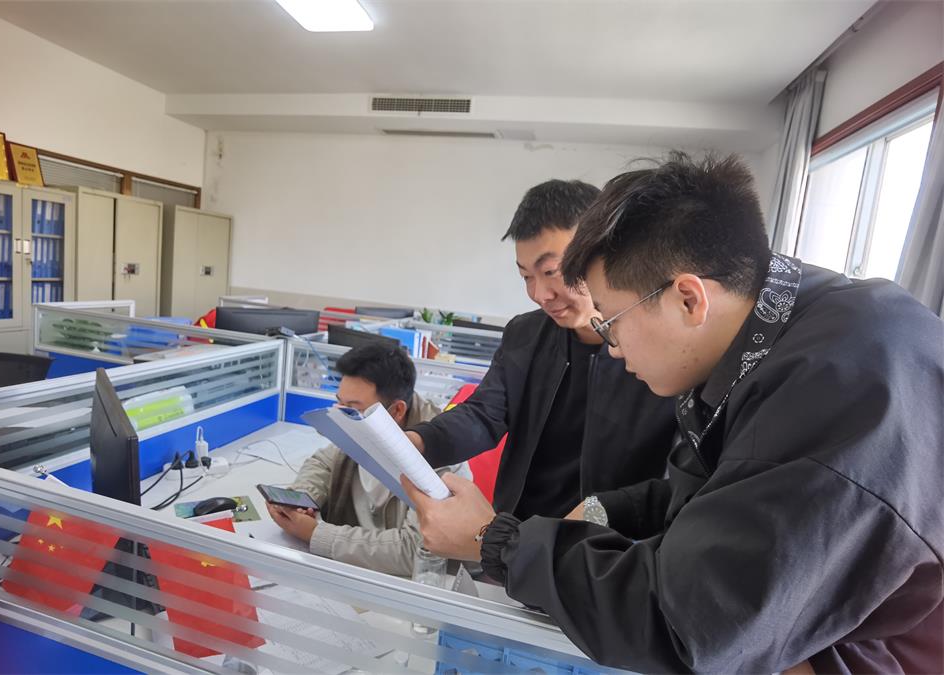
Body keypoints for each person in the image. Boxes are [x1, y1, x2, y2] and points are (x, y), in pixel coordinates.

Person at [404, 152, 944, 673]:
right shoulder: (765, 328)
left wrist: (493, 542)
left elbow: (690, 621)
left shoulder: (842, 384)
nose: (612, 347)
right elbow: (708, 490)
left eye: (611, 320)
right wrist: (597, 511)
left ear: (688, 298)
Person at [405, 179, 676, 521]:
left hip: (604, 542)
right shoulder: (525, 333)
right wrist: (420, 441)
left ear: (601, 252)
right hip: (515, 528)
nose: (539, 294)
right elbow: (485, 414)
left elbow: (672, 480)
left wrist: (599, 515)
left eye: (551, 272)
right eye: (526, 277)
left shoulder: (658, 351)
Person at [268, 343, 469, 577]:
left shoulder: (441, 456)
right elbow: (322, 462)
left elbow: (414, 551)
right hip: (351, 569)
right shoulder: (360, 425)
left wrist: (316, 534)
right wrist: (302, 500)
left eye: (351, 409)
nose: (341, 415)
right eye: (340, 403)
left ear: (397, 411)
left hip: (410, 584)